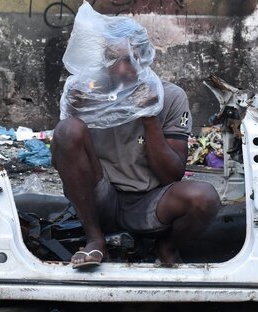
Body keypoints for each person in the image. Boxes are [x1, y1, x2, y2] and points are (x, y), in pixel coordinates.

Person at [52, 4, 221, 269]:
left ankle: (166, 247)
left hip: (150, 201)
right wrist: (73, 111)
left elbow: (172, 175)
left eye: (128, 59)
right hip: (101, 195)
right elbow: (63, 160)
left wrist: (149, 116)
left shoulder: (170, 96)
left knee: (204, 197)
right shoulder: (88, 94)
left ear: (143, 58)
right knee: (66, 130)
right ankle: (96, 240)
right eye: (112, 59)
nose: (120, 69)